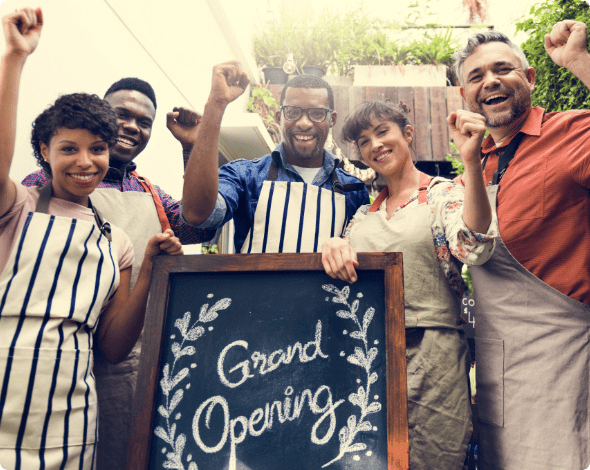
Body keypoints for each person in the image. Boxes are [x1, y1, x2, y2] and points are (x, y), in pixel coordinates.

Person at [0, 8, 182, 469]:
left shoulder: (116, 241)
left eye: (96, 149)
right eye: (68, 149)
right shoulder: (17, 204)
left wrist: (150, 271)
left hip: (73, 422)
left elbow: (113, 347)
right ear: (44, 151)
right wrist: (15, 59)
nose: (85, 161)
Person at [22, 66, 216, 470]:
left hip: (125, 355)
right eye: (120, 116)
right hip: (45, 356)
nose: (131, 126)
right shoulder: (37, 187)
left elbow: (199, 219)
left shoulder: (152, 195)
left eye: (144, 122)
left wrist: (194, 146)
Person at [321, 100, 497, 469]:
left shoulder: (441, 195)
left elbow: (473, 245)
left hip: (435, 355)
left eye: (383, 131)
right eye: (364, 141)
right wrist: (335, 247)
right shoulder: (361, 216)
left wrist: (471, 163)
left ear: (408, 134)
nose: (375, 145)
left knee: (434, 458)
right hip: (369, 357)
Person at [453, 21, 590, 469]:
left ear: (529, 79)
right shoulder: (475, 165)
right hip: (498, 371)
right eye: (475, 77)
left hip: (564, 362)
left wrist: (579, 63)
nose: (489, 81)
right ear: (464, 97)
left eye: (502, 69)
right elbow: (467, 247)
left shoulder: (572, 133)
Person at [181, 61, 370, 253]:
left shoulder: (354, 190)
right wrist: (216, 104)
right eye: (293, 112)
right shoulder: (245, 175)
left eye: (317, 113)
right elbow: (198, 215)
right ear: (279, 117)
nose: (304, 123)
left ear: (332, 120)